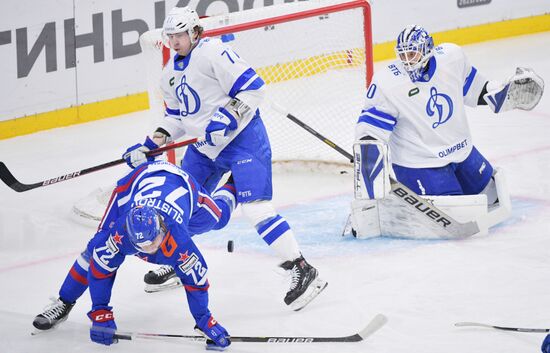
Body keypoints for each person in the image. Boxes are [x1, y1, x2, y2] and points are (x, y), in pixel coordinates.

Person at [123, 6, 327, 310]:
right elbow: (176, 119)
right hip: (204, 150)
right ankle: (180, 259)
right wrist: (149, 145)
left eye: (180, 34)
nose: (175, 41)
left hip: (243, 142)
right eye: (171, 36)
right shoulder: (168, 76)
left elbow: (254, 88)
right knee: (177, 206)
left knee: (256, 210)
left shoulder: (213, 52)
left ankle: (302, 267)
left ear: (194, 32)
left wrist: (227, 117)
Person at [349, 24, 544, 238]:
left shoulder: (452, 58)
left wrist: (500, 94)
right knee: (456, 212)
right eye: (402, 55)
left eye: (412, 53)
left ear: (427, 49)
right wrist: (369, 153)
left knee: (491, 197)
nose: (407, 61)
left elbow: (476, 89)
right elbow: (370, 126)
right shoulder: (388, 82)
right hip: (419, 163)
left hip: (460, 152)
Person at [32, 161, 237, 350]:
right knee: (95, 248)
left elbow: (196, 282)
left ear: (162, 229)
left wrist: (204, 319)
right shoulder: (121, 233)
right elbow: (101, 270)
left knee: (219, 216)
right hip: (133, 184)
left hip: (182, 183)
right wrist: (100, 311)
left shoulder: (180, 240)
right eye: (141, 246)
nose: (148, 251)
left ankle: (236, 182)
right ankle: (63, 302)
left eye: (152, 243)